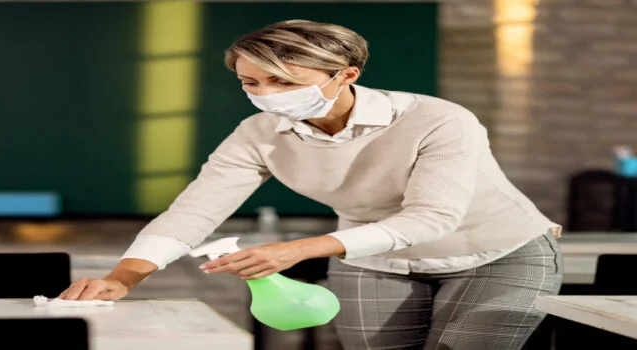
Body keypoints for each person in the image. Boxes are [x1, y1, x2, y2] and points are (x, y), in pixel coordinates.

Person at [58, 19, 562, 350]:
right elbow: (195, 210)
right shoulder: (258, 134)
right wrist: (124, 278)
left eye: (284, 82)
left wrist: (298, 249)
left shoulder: (439, 120)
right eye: (251, 83)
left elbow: (432, 217)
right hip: (376, 260)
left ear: (346, 75)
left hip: (499, 253)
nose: (265, 96)